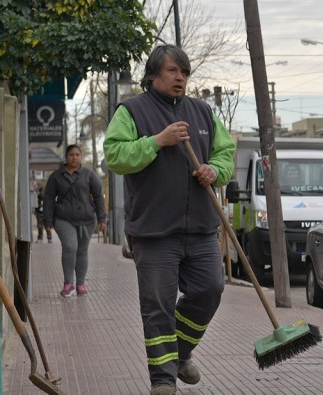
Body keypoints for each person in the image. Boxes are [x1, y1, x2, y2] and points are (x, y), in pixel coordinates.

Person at [102, 44, 236, 395]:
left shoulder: (204, 113)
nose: (181, 78)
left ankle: (180, 353)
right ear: (152, 75)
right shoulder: (131, 111)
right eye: (174, 71)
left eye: (185, 72)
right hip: (154, 231)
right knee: (158, 305)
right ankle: (162, 380)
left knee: (210, 290)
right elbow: (115, 156)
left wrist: (215, 170)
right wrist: (157, 141)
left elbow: (226, 153)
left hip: (202, 228)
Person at [43, 145, 106, 297]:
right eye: (71, 154)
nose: (74, 157)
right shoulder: (56, 176)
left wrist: (102, 218)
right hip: (63, 219)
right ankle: (68, 283)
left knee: (82, 251)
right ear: (66, 156)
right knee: (70, 247)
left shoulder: (89, 175)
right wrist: (48, 221)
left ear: (81, 156)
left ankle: (81, 284)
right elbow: (49, 199)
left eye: (77, 155)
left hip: (87, 220)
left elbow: (98, 196)